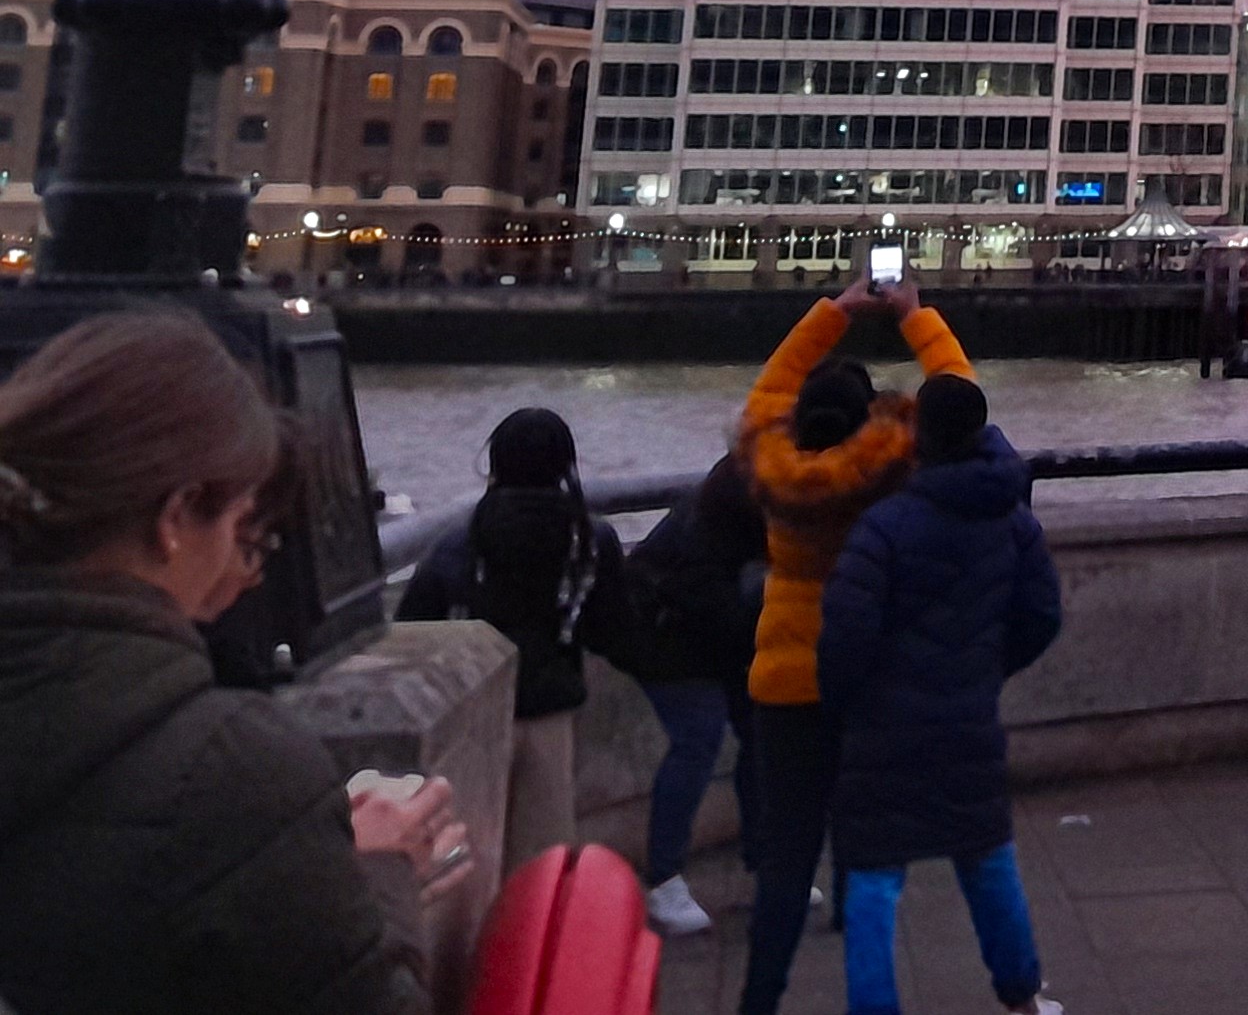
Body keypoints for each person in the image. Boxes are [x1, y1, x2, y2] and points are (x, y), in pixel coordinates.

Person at [0, 305, 462, 1015]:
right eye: (242, 523)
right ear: (178, 516)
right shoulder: (232, 771)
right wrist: (381, 872)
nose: (247, 569)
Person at [734, 272, 976, 1015]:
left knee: (786, 853)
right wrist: (914, 315)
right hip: (870, 675)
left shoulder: (773, 468)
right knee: (871, 852)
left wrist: (831, 313)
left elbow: (767, 395)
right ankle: (869, 991)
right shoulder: (891, 466)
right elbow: (960, 400)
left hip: (783, 683)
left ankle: (759, 1001)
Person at [818, 376, 1065, 1015]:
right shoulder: (1013, 522)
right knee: (988, 860)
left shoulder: (884, 526)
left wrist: (845, 702)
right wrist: (984, 670)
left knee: (873, 880)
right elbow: (1042, 614)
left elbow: (845, 635)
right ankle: (1021, 999)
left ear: (919, 435)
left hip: (883, 726)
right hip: (967, 719)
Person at [398, 403, 637, 866]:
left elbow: (415, 621)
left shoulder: (462, 539)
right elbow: (614, 632)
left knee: (469, 856)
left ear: (495, 463)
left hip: (476, 711)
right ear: (566, 464)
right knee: (543, 859)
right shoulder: (589, 539)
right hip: (550, 708)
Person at [621, 441, 771, 936]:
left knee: (756, 735)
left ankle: (763, 867)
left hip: (701, 629)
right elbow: (712, 602)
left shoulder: (738, 484)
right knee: (697, 739)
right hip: (672, 637)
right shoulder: (727, 510)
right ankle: (663, 879)